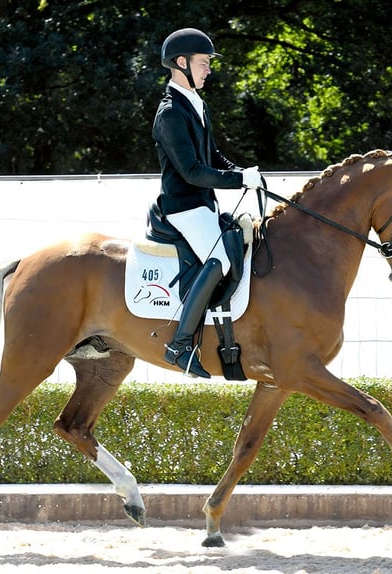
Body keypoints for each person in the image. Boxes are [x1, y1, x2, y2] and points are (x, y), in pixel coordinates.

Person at [152, 27, 263, 378]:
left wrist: (243, 172)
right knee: (219, 259)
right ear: (181, 63)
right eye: (203, 63)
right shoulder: (170, 113)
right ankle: (181, 344)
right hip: (183, 207)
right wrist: (238, 180)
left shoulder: (196, 105)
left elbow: (213, 157)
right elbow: (192, 172)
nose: (209, 69)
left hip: (203, 205)